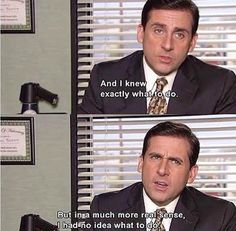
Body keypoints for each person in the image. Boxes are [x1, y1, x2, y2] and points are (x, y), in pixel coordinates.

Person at [78, 0, 236, 115]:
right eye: (159, 31)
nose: (167, 45)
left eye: (179, 34)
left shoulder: (220, 85)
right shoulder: (105, 77)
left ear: (192, 42)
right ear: (141, 33)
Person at [87, 121, 236, 231]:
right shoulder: (104, 210)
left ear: (191, 174)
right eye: (155, 157)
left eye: (175, 161)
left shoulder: (220, 217)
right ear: (141, 163)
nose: (162, 170)